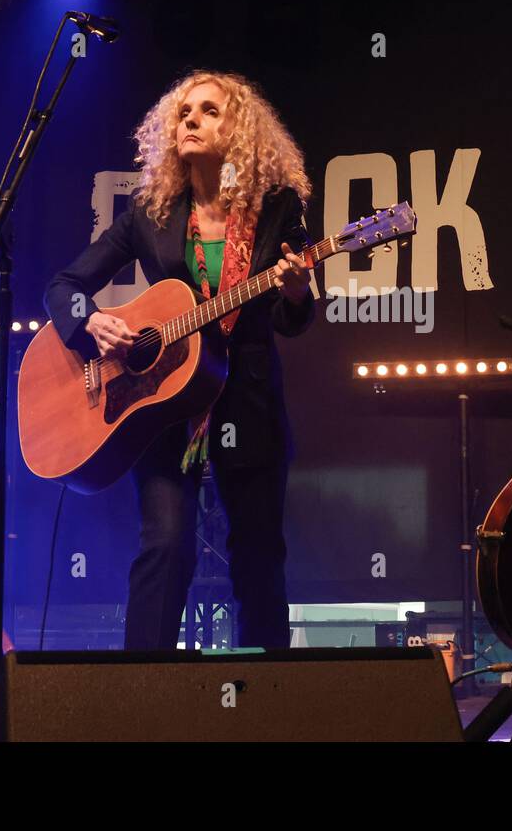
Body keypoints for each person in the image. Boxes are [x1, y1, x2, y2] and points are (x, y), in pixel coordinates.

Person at [45, 70, 314, 650]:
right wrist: (89, 320)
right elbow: (65, 285)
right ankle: (144, 700)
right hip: (162, 406)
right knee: (165, 546)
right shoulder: (150, 215)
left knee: (259, 554)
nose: (190, 120)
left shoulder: (277, 209)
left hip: (248, 399)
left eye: (209, 111)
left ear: (238, 129)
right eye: (184, 112)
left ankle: (267, 704)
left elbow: (291, 319)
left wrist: (295, 292)